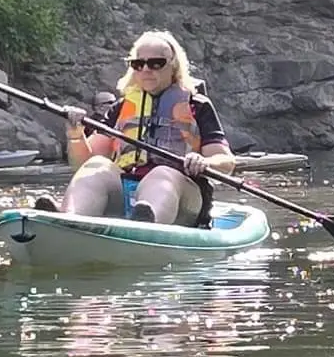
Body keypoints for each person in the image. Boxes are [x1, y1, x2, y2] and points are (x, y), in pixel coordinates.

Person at [43, 31, 236, 225]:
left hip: (182, 196)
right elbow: (83, 162)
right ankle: (69, 220)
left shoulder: (198, 106)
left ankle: (147, 226)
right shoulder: (121, 107)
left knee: (162, 174)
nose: (146, 69)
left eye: (155, 63)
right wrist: (75, 134)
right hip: (127, 189)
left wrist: (205, 162)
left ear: (173, 66)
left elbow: (227, 162)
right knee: (97, 166)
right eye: (138, 64)